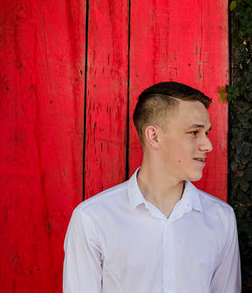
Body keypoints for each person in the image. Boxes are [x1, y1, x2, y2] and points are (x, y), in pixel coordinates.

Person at [63, 81, 241, 293]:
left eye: (206, 133)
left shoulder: (221, 218)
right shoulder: (93, 219)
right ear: (154, 137)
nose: (208, 145)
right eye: (194, 132)